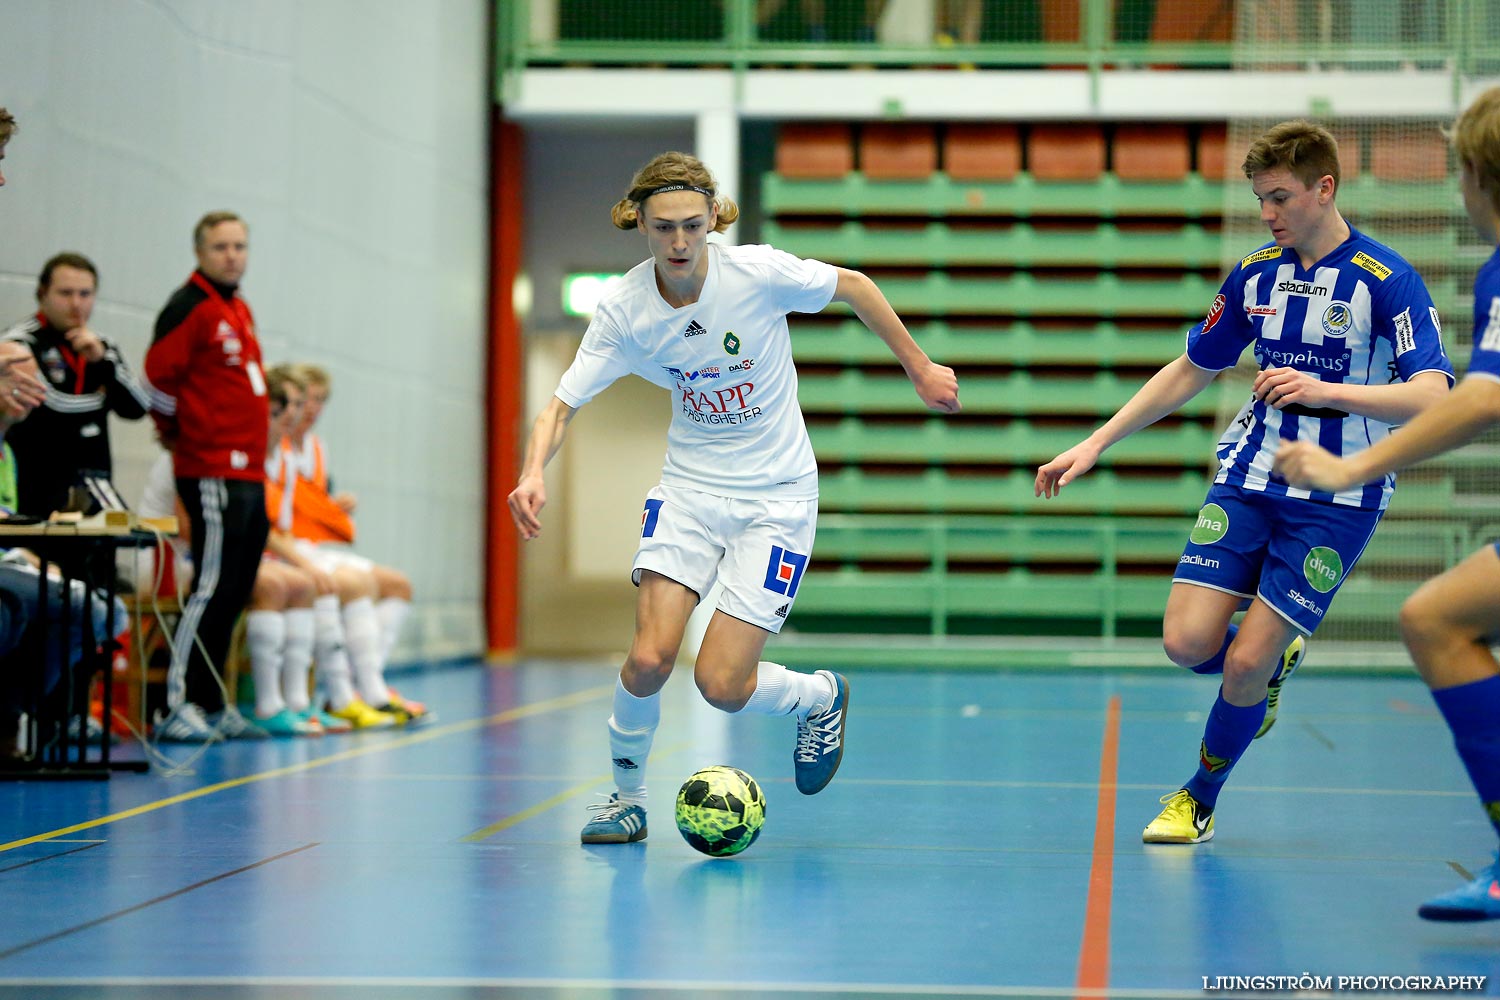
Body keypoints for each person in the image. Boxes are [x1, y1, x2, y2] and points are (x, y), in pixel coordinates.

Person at [507, 151, 960, 844]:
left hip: (776, 497)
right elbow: (561, 405)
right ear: (639, 224)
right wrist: (533, 471)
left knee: (720, 683)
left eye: (693, 225)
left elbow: (855, 286)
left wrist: (920, 366)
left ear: (715, 216)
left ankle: (819, 696)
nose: (681, 243)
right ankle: (625, 799)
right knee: (650, 658)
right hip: (690, 490)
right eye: (664, 229)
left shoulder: (757, 273)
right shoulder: (627, 310)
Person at [1036, 120, 1454, 845]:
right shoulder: (1256, 271)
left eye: (1282, 197)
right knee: (1187, 644)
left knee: (1248, 661)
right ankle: (1259, 678)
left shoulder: (1388, 282)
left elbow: (1436, 395)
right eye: (1261, 198)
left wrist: (1331, 392)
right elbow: (1195, 366)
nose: (1269, 213)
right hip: (1251, 475)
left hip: (1338, 497)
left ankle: (1198, 796)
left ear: (1326, 189)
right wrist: (1097, 442)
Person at [1275, 88, 1500, 920]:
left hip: (1347, 462)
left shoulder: (1476, 272)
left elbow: (1476, 399)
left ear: (1479, 177)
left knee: (1434, 619)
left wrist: (1346, 470)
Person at [141, 211, 271, 742]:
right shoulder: (187, 307)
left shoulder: (237, 307)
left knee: (237, 589)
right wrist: (179, 436)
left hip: (250, 470)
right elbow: (157, 381)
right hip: (210, 467)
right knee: (211, 585)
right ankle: (173, 705)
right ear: (200, 252)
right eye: (220, 246)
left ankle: (212, 703)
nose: (232, 255)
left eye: (239, 245)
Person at [284, 363, 425, 722]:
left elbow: (309, 503)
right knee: (352, 584)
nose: (311, 408)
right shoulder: (276, 444)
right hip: (290, 549)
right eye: (305, 399)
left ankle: (364, 682)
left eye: (319, 400)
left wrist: (336, 507)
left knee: (399, 585)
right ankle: (349, 691)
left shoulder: (316, 448)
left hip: (313, 546)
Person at [1, 253, 150, 518]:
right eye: (65, 293)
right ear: (42, 293)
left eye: (85, 294)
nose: (76, 304)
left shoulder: (102, 347)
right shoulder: (19, 344)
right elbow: (48, 404)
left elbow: (138, 408)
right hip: (36, 488)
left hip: (92, 490)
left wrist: (103, 363)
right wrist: (102, 398)